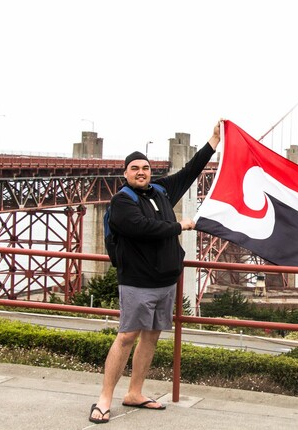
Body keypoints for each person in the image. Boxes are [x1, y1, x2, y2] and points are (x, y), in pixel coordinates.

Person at [89, 121, 222, 424]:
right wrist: (180, 225)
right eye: (134, 168)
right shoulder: (122, 200)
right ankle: (104, 400)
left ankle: (134, 393)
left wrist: (214, 140)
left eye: (145, 167)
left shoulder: (161, 191)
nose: (141, 171)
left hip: (165, 282)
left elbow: (190, 172)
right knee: (125, 338)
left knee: (150, 338)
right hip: (137, 283)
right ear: (125, 173)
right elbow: (141, 227)